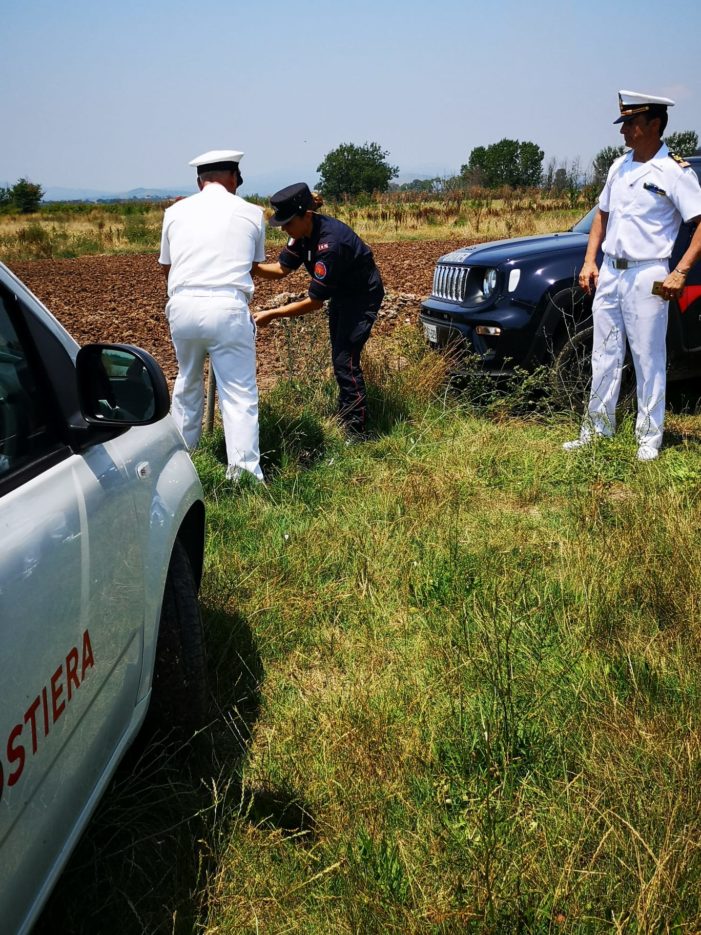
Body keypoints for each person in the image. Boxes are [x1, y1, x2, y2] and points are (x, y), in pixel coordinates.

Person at [564, 90, 701, 461]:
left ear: (653, 125)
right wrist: (590, 260)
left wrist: (681, 271)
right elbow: (602, 217)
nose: (624, 131)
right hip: (610, 271)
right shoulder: (618, 166)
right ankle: (596, 429)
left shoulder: (675, 171)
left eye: (631, 123)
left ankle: (648, 438)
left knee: (647, 357)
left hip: (648, 273)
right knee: (604, 353)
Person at [159, 149, 266, 481]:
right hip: (228, 306)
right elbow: (252, 263)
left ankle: (181, 467)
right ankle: (244, 474)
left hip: (183, 306)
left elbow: (166, 266)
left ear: (199, 181)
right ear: (234, 178)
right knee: (239, 393)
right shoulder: (252, 213)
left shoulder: (174, 212)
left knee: (187, 383)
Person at [253, 183, 384, 437]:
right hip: (341, 295)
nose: (284, 229)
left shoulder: (330, 244)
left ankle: (356, 431)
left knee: (346, 360)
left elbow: (314, 302)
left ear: (307, 215)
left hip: (361, 297)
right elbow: (282, 269)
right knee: (340, 357)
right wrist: (253, 268)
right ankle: (347, 413)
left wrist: (273, 314)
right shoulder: (300, 234)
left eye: (288, 223)